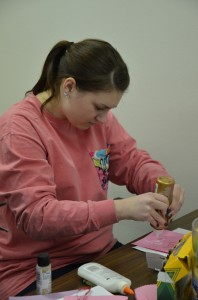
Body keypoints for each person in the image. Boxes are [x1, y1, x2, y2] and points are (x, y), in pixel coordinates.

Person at [0, 39, 184, 299]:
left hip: (98, 254)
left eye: (110, 109)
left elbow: (131, 161)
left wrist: (160, 184)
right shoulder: (20, 127)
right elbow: (37, 216)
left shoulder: (97, 120)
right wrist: (120, 209)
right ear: (69, 86)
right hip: (35, 269)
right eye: (100, 107)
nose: (104, 118)